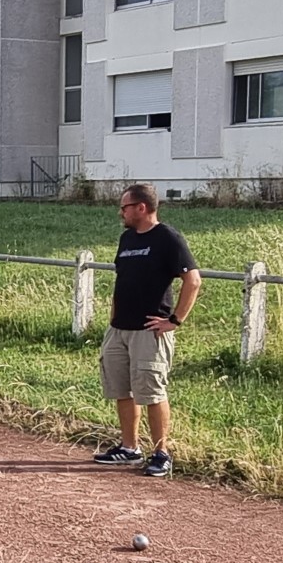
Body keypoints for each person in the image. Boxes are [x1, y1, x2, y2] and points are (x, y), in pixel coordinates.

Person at [94, 183, 201, 477]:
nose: (121, 212)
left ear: (141, 208)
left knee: (152, 392)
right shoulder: (127, 239)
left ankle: (161, 453)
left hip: (150, 332)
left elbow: (192, 281)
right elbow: (122, 280)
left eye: (124, 207)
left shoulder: (168, 238)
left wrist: (174, 321)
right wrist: (113, 319)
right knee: (122, 390)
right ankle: (129, 448)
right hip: (119, 330)